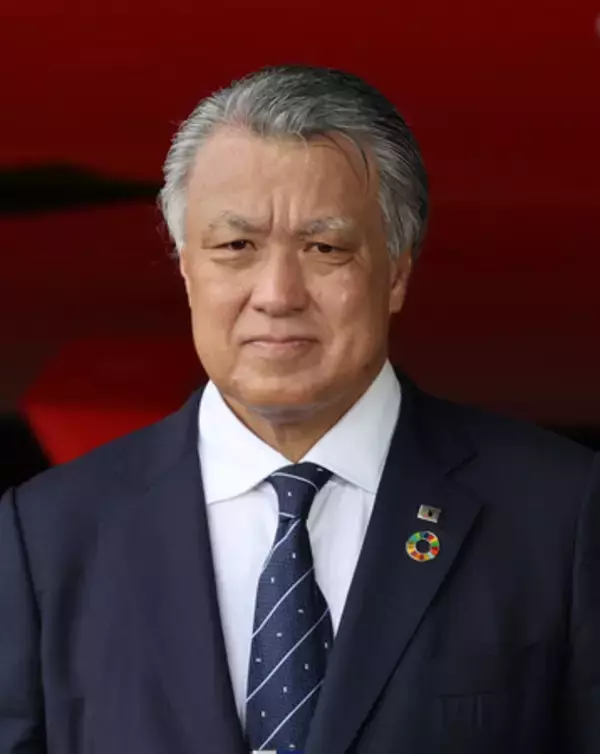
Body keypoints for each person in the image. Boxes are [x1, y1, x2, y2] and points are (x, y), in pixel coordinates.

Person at [0, 65, 599, 754]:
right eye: (236, 247)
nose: (278, 294)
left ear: (397, 271)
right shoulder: (46, 537)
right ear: (187, 266)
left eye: (325, 248)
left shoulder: (559, 515)